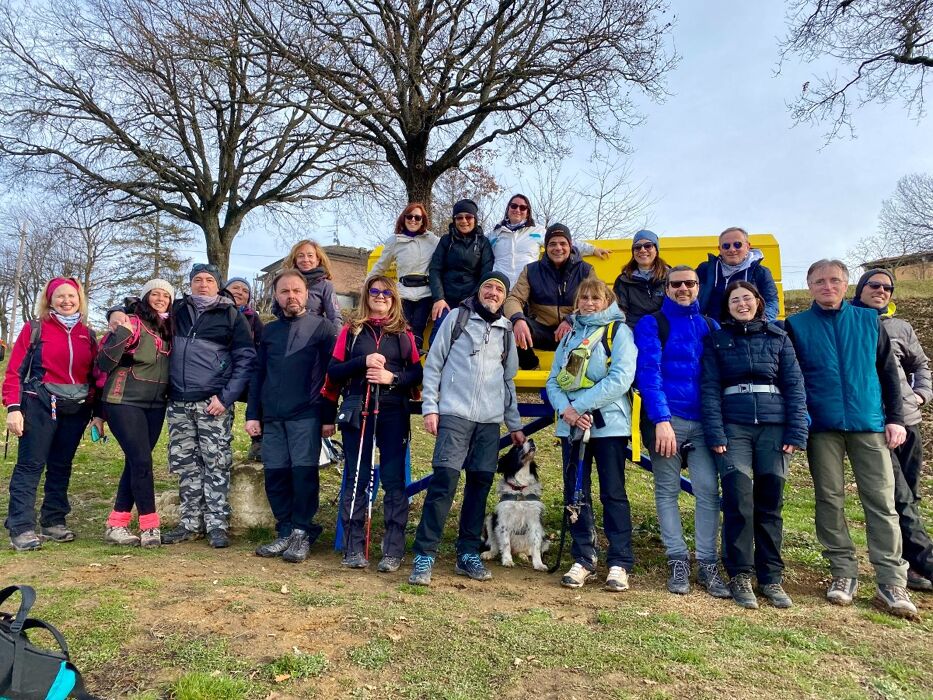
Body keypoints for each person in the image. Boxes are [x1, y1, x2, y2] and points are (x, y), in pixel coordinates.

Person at [785, 259, 916, 618]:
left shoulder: (869, 322)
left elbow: (890, 375)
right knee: (829, 499)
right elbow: (793, 380)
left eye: (835, 281)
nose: (828, 287)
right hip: (822, 425)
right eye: (820, 281)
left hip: (869, 423)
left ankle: (891, 580)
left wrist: (896, 419)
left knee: (882, 502)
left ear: (846, 286)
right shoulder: (796, 326)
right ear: (810, 285)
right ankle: (842, 572)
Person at [408, 271, 525, 586]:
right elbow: (433, 364)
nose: (493, 292)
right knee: (444, 482)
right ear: (479, 289)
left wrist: (513, 424)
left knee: (479, 484)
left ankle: (467, 553)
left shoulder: (506, 331)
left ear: (504, 297)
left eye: (499, 289)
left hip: (488, 422)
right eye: (488, 286)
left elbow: (508, 380)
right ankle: (424, 554)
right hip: (454, 415)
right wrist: (430, 407)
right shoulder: (457, 318)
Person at [700, 281, 808, 609]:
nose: (742, 304)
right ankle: (740, 574)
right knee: (738, 500)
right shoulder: (717, 340)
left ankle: (771, 578)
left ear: (758, 302)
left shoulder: (779, 337)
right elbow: (709, 389)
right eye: (735, 300)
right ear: (728, 306)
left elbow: (794, 384)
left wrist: (796, 431)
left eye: (747, 298)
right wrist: (716, 433)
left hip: (774, 430)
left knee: (770, 502)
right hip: (734, 429)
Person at [633, 265, 729, 598]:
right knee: (667, 490)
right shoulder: (651, 324)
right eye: (676, 284)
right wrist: (661, 419)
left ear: (698, 287)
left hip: (703, 423)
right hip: (667, 420)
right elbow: (649, 372)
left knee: (707, 490)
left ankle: (707, 562)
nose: (683, 288)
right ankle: (677, 558)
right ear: (667, 288)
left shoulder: (710, 326)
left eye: (689, 283)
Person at [545, 277, 637, 591]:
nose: (588, 303)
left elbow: (620, 379)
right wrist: (568, 411)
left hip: (609, 425)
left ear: (607, 301)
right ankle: (583, 557)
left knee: (613, 492)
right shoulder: (570, 335)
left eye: (595, 298)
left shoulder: (617, 332)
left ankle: (620, 561)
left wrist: (581, 405)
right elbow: (554, 381)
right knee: (576, 491)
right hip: (571, 425)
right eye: (583, 298)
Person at [326, 276, 423, 572]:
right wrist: (363, 362)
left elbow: (417, 373)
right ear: (366, 296)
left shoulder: (404, 334)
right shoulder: (351, 330)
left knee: (394, 480)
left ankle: (393, 550)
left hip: (393, 410)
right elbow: (333, 371)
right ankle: (354, 547)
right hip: (358, 409)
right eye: (374, 291)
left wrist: (391, 378)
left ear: (394, 299)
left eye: (386, 293)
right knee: (357, 477)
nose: (380, 296)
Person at [162, 263, 257, 548]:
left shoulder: (230, 315)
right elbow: (140, 312)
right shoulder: (176, 311)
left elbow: (245, 359)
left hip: (212, 402)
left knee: (216, 463)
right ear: (190, 284)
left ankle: (217, 525)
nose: (203, 284)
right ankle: (190, 524)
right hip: (178, 400)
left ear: (218, 285)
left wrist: (225, 397)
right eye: (197, 280)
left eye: (209, 280)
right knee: (187, 465)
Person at [246, 270, 338, 563]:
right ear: (276, 296)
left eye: (297, 290)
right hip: (272, 417)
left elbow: (331, 378)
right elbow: (258, 374)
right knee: (275, 476)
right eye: (285, 291)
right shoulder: (269, 331)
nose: (291, 296)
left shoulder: (322, 328)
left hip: (306, 415)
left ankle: (302, 531)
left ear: (307, 294)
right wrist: (252, 414)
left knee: (303, 476)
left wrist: (328, 417)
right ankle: (284, 530)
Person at [3, 277, 101, 551]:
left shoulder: (88, 334)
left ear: (80, 299)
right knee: (31, 465)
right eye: (60, 296)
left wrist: (96, 412)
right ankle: (21, 526)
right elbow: (14, 372)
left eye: (72, 296)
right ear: (49, 300)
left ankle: (53, 520)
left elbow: (95, 376)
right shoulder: (35, 329)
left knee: (61, 465)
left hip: (76, 408)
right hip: (39, 404)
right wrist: (13, 408)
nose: (66, 301)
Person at [852, 269, 933, 592]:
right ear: (860, 289)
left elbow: (920, 365)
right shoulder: (852, 323)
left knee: (910, 495)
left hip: (909, 420)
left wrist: (922, 393)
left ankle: (910, 564)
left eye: (887, 287)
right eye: (874, 285)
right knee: (897, 496)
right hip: (874, 422)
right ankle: (925, 562)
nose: (881, 291)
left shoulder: (901, 327)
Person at [97, 279, 175, 548]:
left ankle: (116, 523)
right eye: (155, 293)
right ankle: (150, 526)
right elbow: (103, 362)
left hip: (155, 405)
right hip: (123, 400)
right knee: (141, 461)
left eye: (166, 295)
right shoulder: (131, 322)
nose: (161, 298)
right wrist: (121, 333)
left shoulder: (168, 328)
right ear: (145, 297)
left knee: (136, 462)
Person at [503, 223, 594, 370]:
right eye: (552, 244)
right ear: (546, 247)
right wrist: (518, 319)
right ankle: (531, 366)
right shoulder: (531, 270)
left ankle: (574, 375)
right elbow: (513, 299)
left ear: (570, 245)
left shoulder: (585, 270)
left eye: (563, 243)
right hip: (542, 331)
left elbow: (595, 303)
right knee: (510, 324)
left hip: (575, 332)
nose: (558, 248)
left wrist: (571, 319)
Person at [489, 193, 608, 288]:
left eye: (523, 207)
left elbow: (563, 241)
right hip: (500, 286)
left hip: (526, 285)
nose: (518, 210)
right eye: (514, 206)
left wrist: (592, 249)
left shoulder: (537, 231)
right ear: (508, 208)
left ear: (528, 212)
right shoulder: (494, 234)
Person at [369, 202, 439, 348]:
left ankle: (415, 360)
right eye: (409, 216)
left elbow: (447, 250)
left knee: (419, 326)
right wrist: (367, 284)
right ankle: (399, 360)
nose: (413, 220)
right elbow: (381, 266)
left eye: (417, 218)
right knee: (401, 326)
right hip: (403, 293)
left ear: (423, 221)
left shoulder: (431, 240)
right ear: (404, 218)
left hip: (425, 292)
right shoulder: (395, 241)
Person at [427, 199, 493, 343]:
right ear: (454, 220)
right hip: (446, 298)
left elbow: (486, 273)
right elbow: (435, 269)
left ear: (475, 219)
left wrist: (473, 300)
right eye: (459, 217)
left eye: (468, 217)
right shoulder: (446, 240)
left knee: (468, 337)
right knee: (440, 332)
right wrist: (439, 298)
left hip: (472, 299)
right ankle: (433, 364)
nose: (464, 221)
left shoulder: (483, 242)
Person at [696, 227, 779, 322]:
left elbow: (771, 302)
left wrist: (760, 322)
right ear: (720, 249)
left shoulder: (761, 272)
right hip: (713, 330)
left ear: (747, 246)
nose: (732, 249)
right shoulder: (705, 269)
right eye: (726, 246)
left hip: (747, 331)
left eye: (737, 244)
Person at [223, 277, 265, 462]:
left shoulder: (253, 318)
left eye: (245, 290)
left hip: (246, 372)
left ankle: (258, 441)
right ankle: (221, 443)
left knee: (262, 394)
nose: (240, 292)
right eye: (235, 288)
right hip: (221, 373)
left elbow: (263, 345)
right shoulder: (216, 312)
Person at [613, 230, 670, 329]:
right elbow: (620, 311)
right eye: (637, 247)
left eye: (648, 246)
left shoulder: (670, 276)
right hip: (634, 330)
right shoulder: (623, 280)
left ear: (656, 250)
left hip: (665, 328)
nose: (642, 250)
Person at [281, 239, 341, 322]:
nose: (305, 260)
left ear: (317, 260)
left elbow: (335, 317)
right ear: (295, 260)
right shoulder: (284, 282)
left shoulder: (325, 285)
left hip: (316, 332)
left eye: (310, 255)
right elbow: (275, 308)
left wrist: (336, 334)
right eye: (301, 256)